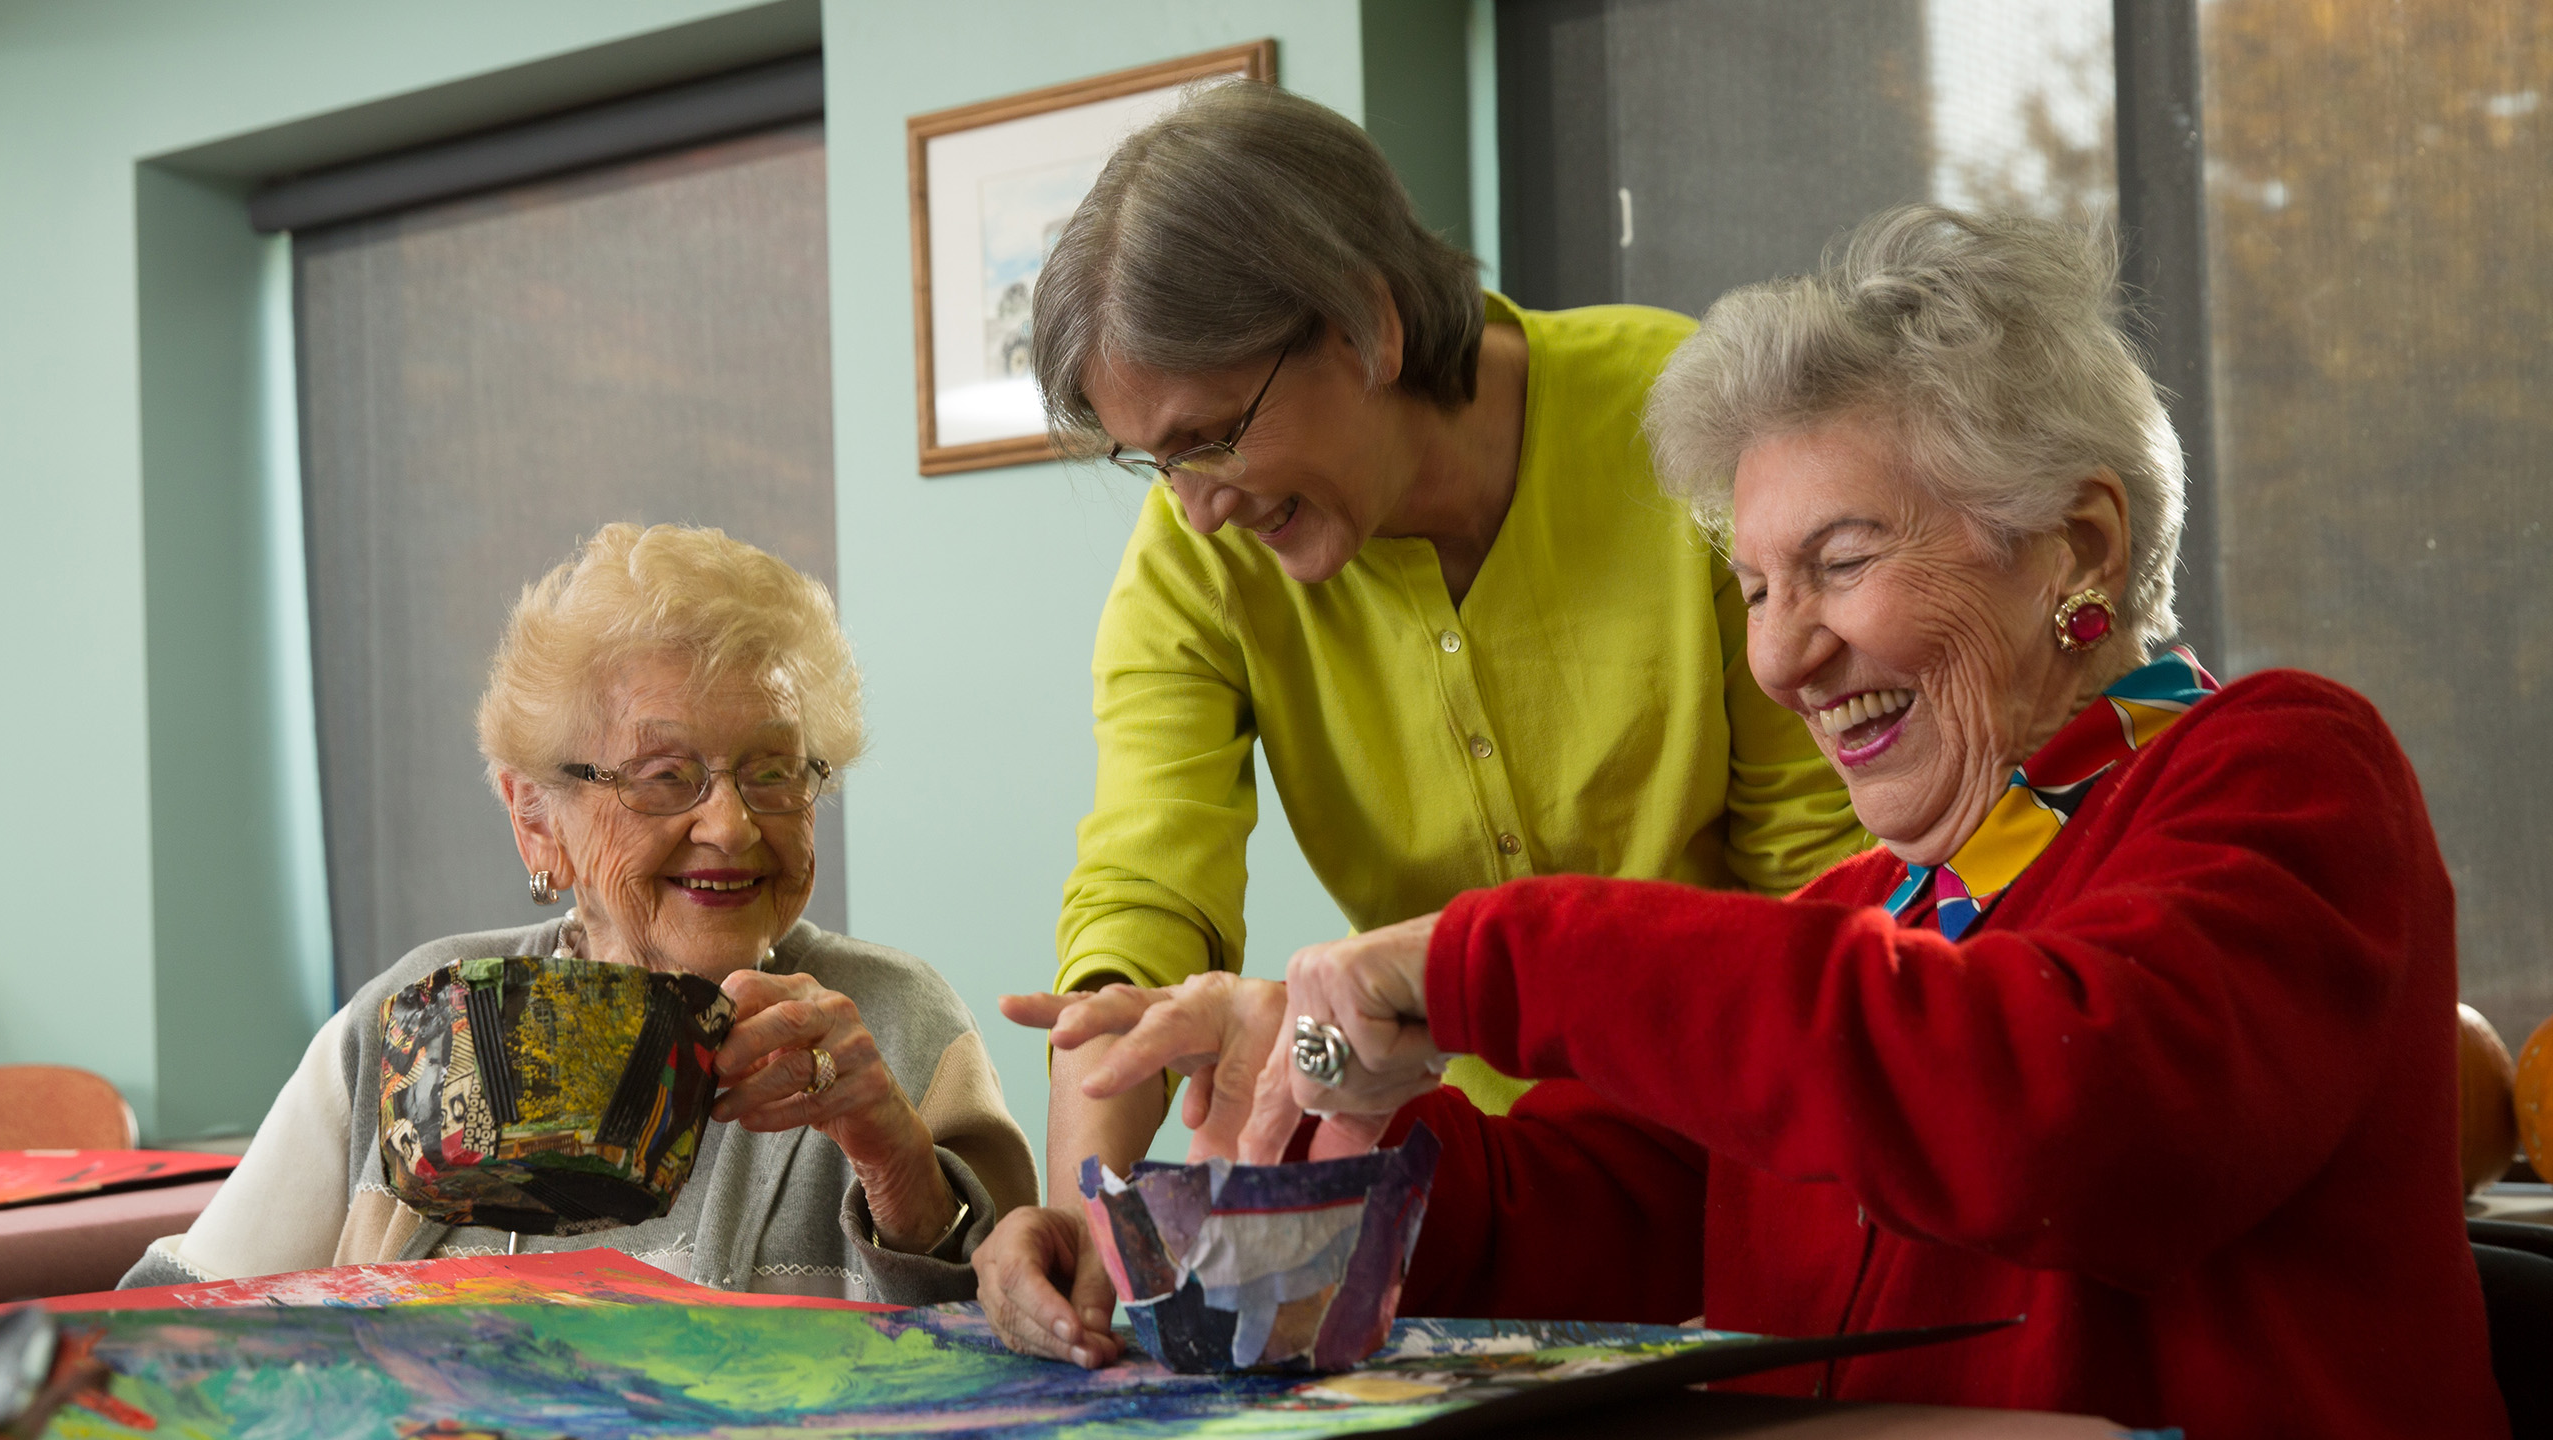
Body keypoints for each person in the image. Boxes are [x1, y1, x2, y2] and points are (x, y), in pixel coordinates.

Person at [985, 207, 2508, 1439]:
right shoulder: (1862, 911)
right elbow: (1572, 1217)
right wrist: (1323, 1106)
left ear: (2078, 549)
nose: (1781, 659)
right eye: (1759, 590)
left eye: (1840, 564)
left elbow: (2061, 1109)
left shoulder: (2285, 769)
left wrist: (1482, 957)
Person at [982, 78, 1866, 1342]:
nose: (1192, 504)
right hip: (1473, 1204)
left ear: (1369, 328)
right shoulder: (1200, 553)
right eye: (1151, 460)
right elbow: (1143, 883)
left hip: (1761, 1150)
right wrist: (1086, 1210)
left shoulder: (1683, 420)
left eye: (1212, 435)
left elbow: (1829, 893)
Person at [123, 523, 1035, 1304]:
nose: (730, 823)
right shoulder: (416, 1018)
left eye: (771, 772)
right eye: (664, 777)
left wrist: (895, 1160)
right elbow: (165, 1331)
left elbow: (1014, 1343)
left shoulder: (894, 1027)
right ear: (535, 819)